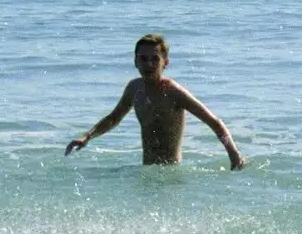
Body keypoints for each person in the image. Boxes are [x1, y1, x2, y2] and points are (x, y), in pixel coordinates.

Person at [65, 34, 246, 169]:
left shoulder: (173, 92)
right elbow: (114, 118)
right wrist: (87, 137)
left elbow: (214, 122)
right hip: (147, 169)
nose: (149, 64)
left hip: (170, 171)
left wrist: (234, 155)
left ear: (164, 63)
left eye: (154, 59)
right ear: (135, 62)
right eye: (143, 59)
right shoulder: (134, 89)